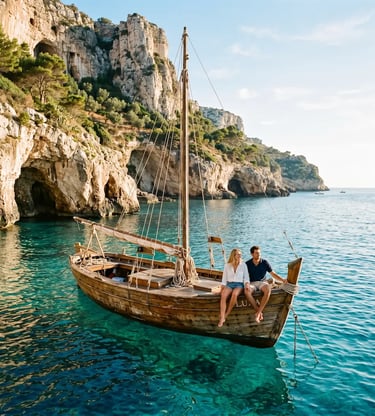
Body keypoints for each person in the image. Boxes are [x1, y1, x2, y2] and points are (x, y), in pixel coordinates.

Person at [245, 245, 287, 323]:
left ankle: (258, 313)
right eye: (256, 253)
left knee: (268, 289)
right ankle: (258, 311)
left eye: (259, 253)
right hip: (252, 283)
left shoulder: (264, 262)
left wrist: (282, 280)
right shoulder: (247, 264)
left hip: (262, 282)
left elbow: (272, 273)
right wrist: (246, 284)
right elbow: (244, 276)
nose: (259, 255)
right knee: (247, 291)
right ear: (252, 254)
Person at [218, 248, 250, 327]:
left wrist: (247, 285)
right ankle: (222, 317)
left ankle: (226, 314)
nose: (240, 255)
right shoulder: (227, 265)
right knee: (223, 295)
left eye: (240, 254)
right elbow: (224, 279)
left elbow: (246, 278)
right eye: (238, 254)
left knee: (235, 294)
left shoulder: (243, 265)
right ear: (233, 255)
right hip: (229, 284)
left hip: (239, 285)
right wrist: (222, 289)